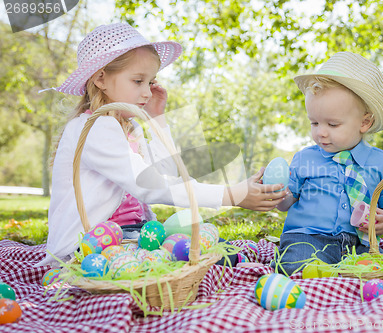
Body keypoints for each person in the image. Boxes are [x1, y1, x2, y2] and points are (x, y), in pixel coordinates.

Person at [38, 23, 286, 266]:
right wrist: (232, 195)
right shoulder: (94, 128)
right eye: (138, 81)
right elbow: (150, 186)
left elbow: (167, 173)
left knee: (200, 237)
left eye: (150, 82)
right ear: (101, 78)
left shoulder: (129, 127)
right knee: (182, 254)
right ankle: (228, 264)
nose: (147, 92)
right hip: (87, 246)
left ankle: (229, 261)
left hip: (133, 234)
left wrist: (158, 120)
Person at [272, 52, 383, 276]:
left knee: (378, 274)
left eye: (333, 124)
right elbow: (286, 203)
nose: (320, 132)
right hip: (308, 237)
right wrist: (278, 193)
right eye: (314, 122)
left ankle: (339, 280)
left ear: (364, 122)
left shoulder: (382, 163)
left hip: (360, 244)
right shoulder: (305, 159)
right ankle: (320, 278)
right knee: (297, 264)